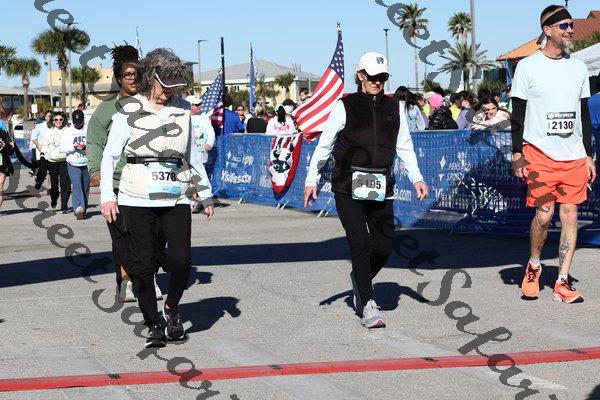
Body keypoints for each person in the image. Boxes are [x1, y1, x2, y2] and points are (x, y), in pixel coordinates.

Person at [304, 52, 428, 328]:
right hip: (348, 187)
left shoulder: (394, 107)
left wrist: (416, 177)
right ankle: (367, 302)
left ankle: (360, 279)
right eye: (372, 77)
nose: (377, 82)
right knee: (359, 242)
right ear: (361, 75)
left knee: (384, 245)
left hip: (381, 187)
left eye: (382, 77)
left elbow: (404, 146)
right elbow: (324, 145)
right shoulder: (345, 106)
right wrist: (311, 179)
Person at [100, 48, 214, 348]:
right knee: (142, 265)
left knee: (180, 260)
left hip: (175, 194)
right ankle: (153, 323)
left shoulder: (183, 110)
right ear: (150, 78)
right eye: (165, 85)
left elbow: (192, 156)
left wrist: (205, 194)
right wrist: (107, 196)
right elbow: (110, 156)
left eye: (174, 86)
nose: (169, 92)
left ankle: (172, 308)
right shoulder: (128, 111)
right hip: (135, 196)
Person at [512, 5, 595, 303]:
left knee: (570, 215)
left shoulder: (578, 68)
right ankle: (534, 265)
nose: (570, 30)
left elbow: (584, 113)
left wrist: (589, 154)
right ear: (547, 30)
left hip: (573, 155)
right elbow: (518, 113)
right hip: (539, 152)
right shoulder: (527, 67)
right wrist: (517, 153)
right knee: (545, 215)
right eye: (564, 26)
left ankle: (562, 281)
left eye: (571, 25)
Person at [86, 44, 161, 303]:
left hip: (147, 180)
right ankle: (127, 282)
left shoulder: (151, 104)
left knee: (152, 234)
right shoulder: (107, 109)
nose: (133, 79)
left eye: (137, 74)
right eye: (128, 75)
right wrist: (96, 170)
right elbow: (95, 141)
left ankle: (147, 276)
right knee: (123, 236)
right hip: (117, 181)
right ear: (119, 78)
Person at [61, 110, 89, 219]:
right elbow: (63, 148)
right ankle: (78, 208)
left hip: (87, 163)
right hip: (73, 163)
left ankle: (83, 210)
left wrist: (86, 147)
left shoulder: (88, 129)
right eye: (76, 122)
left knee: (85, 187)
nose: (78, 124)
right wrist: (74, 147)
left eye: (80, 122)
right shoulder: (67, 132)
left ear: (83, 120)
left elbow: (94, 144)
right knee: (77, 185)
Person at [45, 111, 71, 212]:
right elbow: (45, 146)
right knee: (54, 185)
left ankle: (64, 206)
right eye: (56, 119)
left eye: (61, 119)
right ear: (52, 121)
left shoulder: (68, 131)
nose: (58, 121)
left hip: (65, 160)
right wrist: (44, 156)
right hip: (52, 161)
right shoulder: (49, 132)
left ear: (64, 120)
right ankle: (54, 198)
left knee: (65, 184)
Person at [32, 110, 53, 190]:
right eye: (48, 116)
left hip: (52, 151)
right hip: (42, 151)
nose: (50, 117)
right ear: (45, 117)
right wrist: (39, 146)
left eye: (51, 116)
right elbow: (34, 138)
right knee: (43, 170)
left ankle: (50, 188)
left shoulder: (55, 126)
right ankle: (39, 181)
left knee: (51, 171)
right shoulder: (39, 126)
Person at [0, 118, 14, 216]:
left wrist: (11, 145)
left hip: (3, 162)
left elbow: (10, 150)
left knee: (0, 186)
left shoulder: (4, 134)